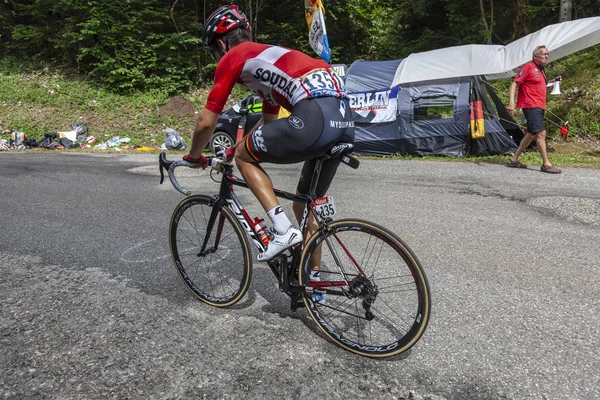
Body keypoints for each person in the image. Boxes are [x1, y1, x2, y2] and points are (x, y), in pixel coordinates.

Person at [184, 5, 355, 264]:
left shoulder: (235, 56)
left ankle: (282, 229)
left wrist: (195, 156)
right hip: (344, 121)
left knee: (245, 158)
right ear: (246, 30)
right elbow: (268, 123)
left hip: (314, 118)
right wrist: (230, 149)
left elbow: (206, 122)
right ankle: (313, 286)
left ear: (221, 44)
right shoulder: (270, 61)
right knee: (305, 206)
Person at [506, 45, 561, 174]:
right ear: (535, 56)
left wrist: (553, 82)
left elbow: (536, 85)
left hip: (539, 105)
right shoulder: (528, 67)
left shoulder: (540, 69)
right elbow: (515, 83)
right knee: (541, 133)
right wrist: (511, 102)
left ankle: (514, 160)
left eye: (547, 54)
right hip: (531, 105)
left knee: (532, 134)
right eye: (543, 54)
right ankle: (546, 164)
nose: (546, 56)